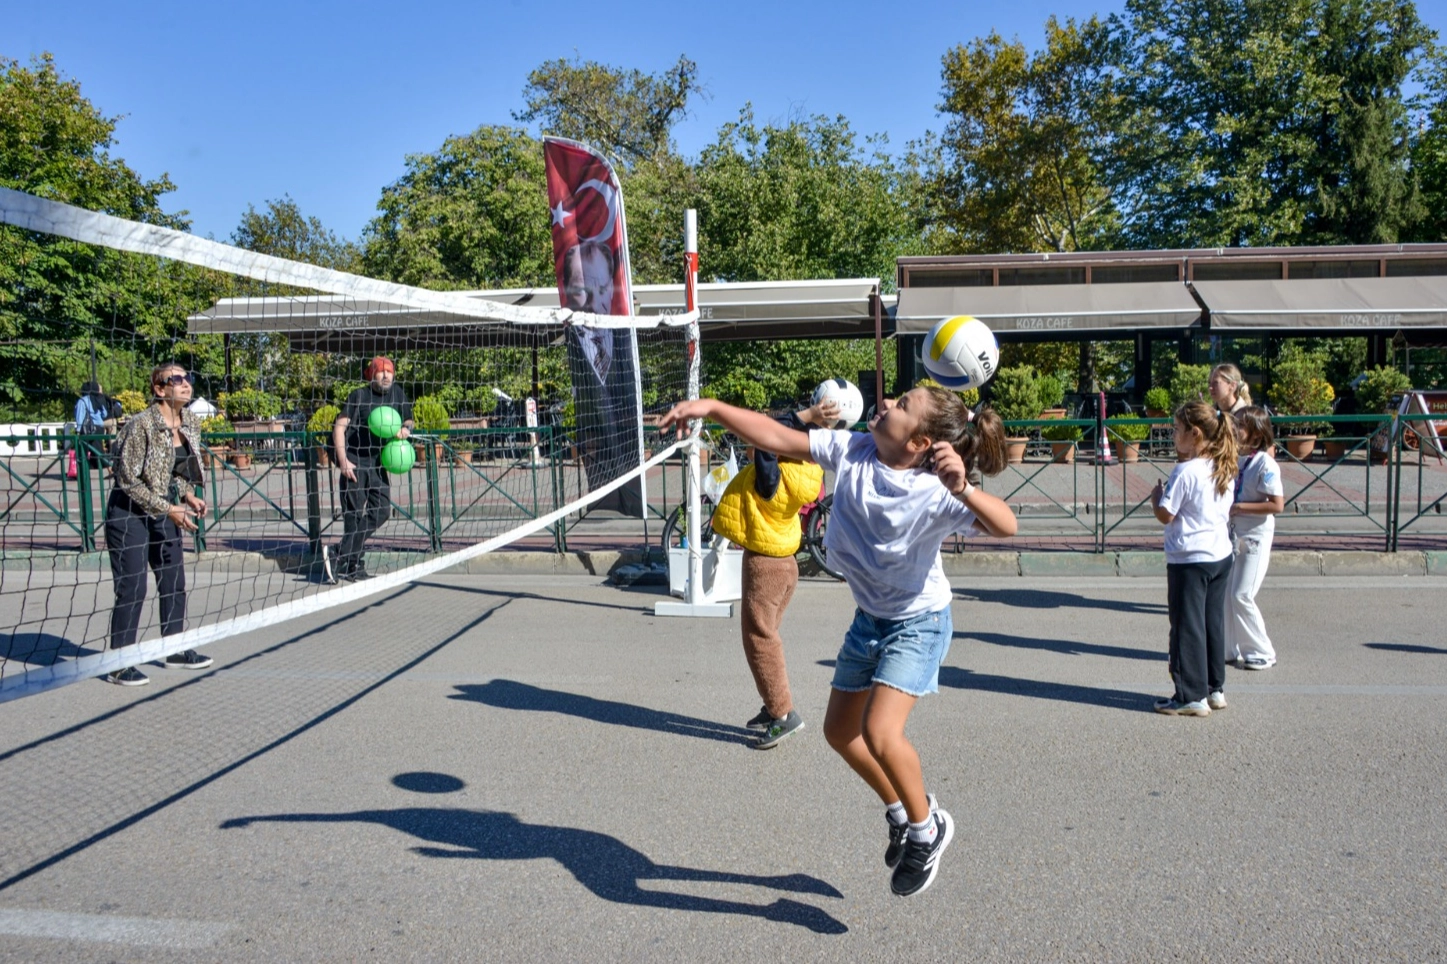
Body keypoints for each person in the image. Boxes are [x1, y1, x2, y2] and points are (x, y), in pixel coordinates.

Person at [660, 386, 1018, 898]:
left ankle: (927, 828)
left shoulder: (937, 488)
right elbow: (776, 436)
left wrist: (963, 489)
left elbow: (1006, 525)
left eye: (903, 404)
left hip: (918, 621)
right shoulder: (853, 449)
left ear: (919, 442)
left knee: (880, 732)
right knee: (839, 733)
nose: (888, 402)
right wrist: (713, 409)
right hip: (870, 618)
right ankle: (900, 812)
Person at [709, 397, 841, 750]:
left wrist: (806, 416)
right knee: (766, 636)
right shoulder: (806, 472)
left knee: (760, 640)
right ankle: (773, 707)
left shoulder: (774, 477)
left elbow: (768, 436)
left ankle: (784, 715)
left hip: (766, 564)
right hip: (785, 564)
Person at [103, 363, 211, 686]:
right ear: (159, 389)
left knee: (173, 580)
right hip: (129, 512)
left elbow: (175, 470)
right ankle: (119, 663)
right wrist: (169, 508)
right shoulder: (141, 425)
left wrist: (188, 495)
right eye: (175, 379)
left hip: (164, 507)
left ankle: (174, 649)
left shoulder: (190, 421)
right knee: (133, 587)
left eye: (187, 377)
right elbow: (128, 481)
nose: (184, 383)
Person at [1150, 401, 1238, 716]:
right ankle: (1215, 688)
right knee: (1211, 622)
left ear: (1194, 434)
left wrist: (1156, 500)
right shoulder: (1224, 465)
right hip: (1220, 554)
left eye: (1176, 430)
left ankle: (1190, 694)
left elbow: (1166, 514)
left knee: (1187, 626)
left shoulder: (1185, 471)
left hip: (1189, 558)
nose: (1173, 435)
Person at [562, 241, 642, 514]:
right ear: (568, 294)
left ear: (611, 287)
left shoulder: (625, 341)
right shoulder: (572, 345)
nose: (595, 301)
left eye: (602, 288)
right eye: (583, 291)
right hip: (594, 447)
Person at [330, 357, 413, 583]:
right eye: (381, 372)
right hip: (355, 464)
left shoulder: (397, 394)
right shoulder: (359, 396)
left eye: (389, 372)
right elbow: (339, 428)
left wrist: (406, 429)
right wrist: (343, 461)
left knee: (382, 511)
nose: (386, 376)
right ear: (372, 374)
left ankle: (339, 554)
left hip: (378, 465)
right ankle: (353, 566)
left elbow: (408, 420)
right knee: (353, 518)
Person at [1227, 406, 1284, 670]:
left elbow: (1277, 504)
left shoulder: (1265, 463)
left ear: (1256, 432)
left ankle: (1261, 650)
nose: (1234, 429)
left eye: (1239, 425)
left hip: (1255, 535)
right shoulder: (1238, 459)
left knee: (1242, 594)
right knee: (1227, 593)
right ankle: (1228, 648)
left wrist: (1239, 508)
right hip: (1235, 533)